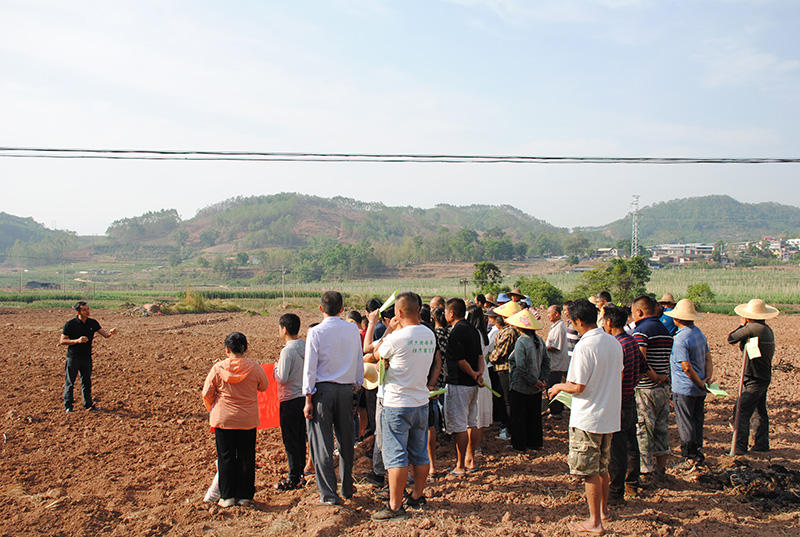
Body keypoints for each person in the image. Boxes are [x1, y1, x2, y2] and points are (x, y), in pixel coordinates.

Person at [548, 298, 623, 536]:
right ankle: (602, 511)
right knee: (602, 466)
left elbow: (577, 386)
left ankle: (594, 522)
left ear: (579, 321)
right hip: (608, 414)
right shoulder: (613, 342)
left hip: (589, 417)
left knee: (590, 470)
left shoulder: (584, 346)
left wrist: (558, 388)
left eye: (572, 321)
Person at [370, 292, 435, 521]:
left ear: (398, 312)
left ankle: (395, 506)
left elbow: (375, 352)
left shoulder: (396, 338)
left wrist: (390, 329)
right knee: (419, 453)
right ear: (418, 310)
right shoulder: (429, 334)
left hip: (396, 403)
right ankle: (417, 496)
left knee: (396, 456)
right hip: (420, 402)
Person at [303, 291, 364, 505]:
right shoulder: (352, 330)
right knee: (346, 441)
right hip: (347, 390)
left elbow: (310, 367)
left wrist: (308, 398)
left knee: (323, 443)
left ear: (321, 309)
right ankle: (347, 487)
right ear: (342, 309)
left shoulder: (316, 332)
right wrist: (356, 386)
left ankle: (329, 494)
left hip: (322, 392)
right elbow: (359, 359)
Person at [202, 332, 269, 508]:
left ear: (226, 349)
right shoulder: (254, 368)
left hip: (223, 420)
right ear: (246, 348)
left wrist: (213, 409)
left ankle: (227, 496)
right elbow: (264, 386)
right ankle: (245, 496)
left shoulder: (218, 369)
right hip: (247, 420)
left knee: (226, 457)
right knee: (247, 457)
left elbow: (206, 393)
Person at [630, 295, 674, 485]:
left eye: (632, 313)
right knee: (662, 429)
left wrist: (651, 376)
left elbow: (641, 361)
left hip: (646, 388)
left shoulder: (641, 331)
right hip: (663, 387)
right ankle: (661, 471)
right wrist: (661, 377)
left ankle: (645, 473)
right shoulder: (665, 330)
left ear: (639, 312)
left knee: (644, 430)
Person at [603, 306, 645, 503]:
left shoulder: (616, 345)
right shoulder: (632, 342)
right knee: (630, 444)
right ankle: (632, 484)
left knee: (617, 449)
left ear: (610, 322)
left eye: (603, 321)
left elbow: (615, 376)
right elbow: (644, 366)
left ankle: (615, 492)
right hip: (629, 399)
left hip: (617, 402)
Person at [727, 298, 778, 455]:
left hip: (754, 378)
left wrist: (742, 325)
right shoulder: (766, 329)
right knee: (759, 410)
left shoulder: (753, 328)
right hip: (762, 376)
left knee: (741, 410)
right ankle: (761, 444)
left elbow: (731, 338)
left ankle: (740, 447)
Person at [667, 299, 713, 470]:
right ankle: (698, 452)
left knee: (685, 422)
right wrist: (707, 378)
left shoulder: (680, 339)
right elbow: (708, 357)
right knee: (697, 420)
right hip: (700, 388)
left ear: (677, 319)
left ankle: (690, 457)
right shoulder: (698, 333)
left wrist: (698, 381)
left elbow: (686, 366)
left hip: (684, 388)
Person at [443, 297, 483, 476]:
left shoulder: (456, 332)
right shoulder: (473, 330)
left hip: (459, 383)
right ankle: (471, 459)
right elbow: (480, 357)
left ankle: (459, 465)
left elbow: (460, 361)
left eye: (445, 312)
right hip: (473, 384)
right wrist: (478, 374)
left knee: (460, 425)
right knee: (471, 422)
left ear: (451, 313)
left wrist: (473, 374)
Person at [60, 301, 117, 413]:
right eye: (85, 310)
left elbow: (105, 335)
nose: (88, 311)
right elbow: (62, 341)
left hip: (86, 358)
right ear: (79, 312)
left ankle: (88, 405)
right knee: (70, 382)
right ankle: (68, 406)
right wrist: (77, 341)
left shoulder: (93, 323)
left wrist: (111, 333)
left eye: (88, 309)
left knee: (86, 382)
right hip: (73, 358)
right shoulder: (70, 324)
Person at [506, 309, 549, 452]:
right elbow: (547, 362)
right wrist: (541, 380)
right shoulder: (540, 341)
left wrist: (533, 380)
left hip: (520, 385)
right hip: (536, 386)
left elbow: (521, 366)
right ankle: (535, 442)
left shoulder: (521, 342)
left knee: (518, 417)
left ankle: (519, 445)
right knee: (534, 417)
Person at [274, 313, 307, 491]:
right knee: (300, 437)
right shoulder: (304, 346)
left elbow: (282, 377)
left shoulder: (287, 351)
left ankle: (294, 476)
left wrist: (274, 370)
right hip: (303, 397)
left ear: (284, 329)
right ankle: (300, 473)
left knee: (290, 439)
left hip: (289, 398)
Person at [487, 301, 522, 440]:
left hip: (505, 368)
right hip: (501, 368)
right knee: (503, 397)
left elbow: (499, 353)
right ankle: (506, 425)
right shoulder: (504, 331)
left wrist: (489, 357)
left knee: (508, 400)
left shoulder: (508, 332)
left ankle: (510, 429)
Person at [467, 305, 492, 461]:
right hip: (485, 374)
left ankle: (471, 450)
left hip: (476, 374)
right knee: (480, 415)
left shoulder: (472, 334)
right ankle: (477, 447)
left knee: (473, 417)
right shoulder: (484, 333)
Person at [545, 304, 569, 419]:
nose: (548, 316)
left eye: (550, 313)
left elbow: (555, 346)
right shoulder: (555, 326)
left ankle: (556, 411)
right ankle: (553, 408)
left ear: (556, 314)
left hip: (556, 363)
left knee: (554, 386)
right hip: (553, 363)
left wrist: (543, 348)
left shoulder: (559, 327)